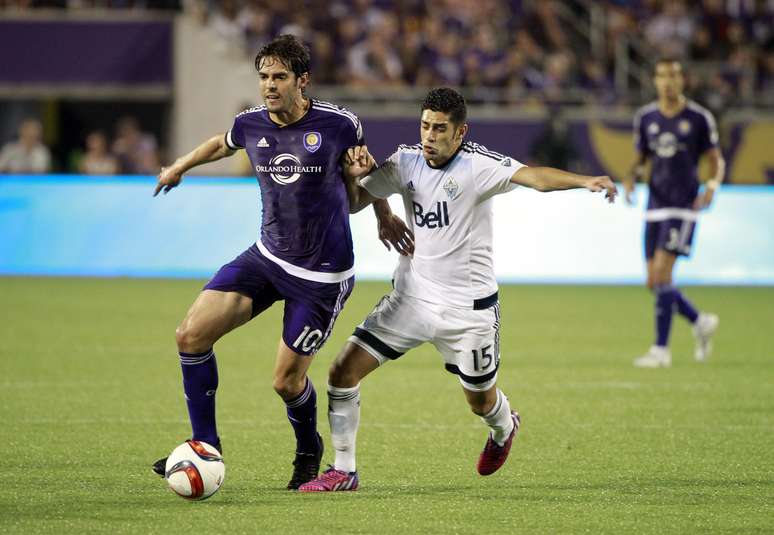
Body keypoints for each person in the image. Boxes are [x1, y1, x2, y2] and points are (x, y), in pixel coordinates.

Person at [298, 87, 617, 492]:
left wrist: (584, 180)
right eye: (425, 126)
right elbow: (357, 201)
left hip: (469, 312)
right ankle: (344, 470)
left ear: (460, 131)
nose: (429, 136)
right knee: (342, 371)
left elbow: (534, 177)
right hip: (411, 300)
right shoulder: (406, 161)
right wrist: (351, 174)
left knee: (480, 401)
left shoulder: (477, 166)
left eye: (440, 129)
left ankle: (504, 427)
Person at [150, 34, 412, 489]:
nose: (269, 86)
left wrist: (384, 213)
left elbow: (361, 177)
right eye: (264, 77)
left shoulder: (339, 124)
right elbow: (221, 143)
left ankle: (309, 448)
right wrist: (180, 165)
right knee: (190, 336)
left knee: (286, 384)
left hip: (322, 276)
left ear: (302, 80)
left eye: (279, 77)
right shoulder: (251, 124)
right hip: (267, 257)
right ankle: (205, 445)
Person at [624, 58, 724, 368]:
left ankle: (660, 350)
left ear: (683, 80)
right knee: (653, 282)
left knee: (663, 274)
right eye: (662, 75)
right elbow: (641, 156)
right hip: (655, 204)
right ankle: (700, 321)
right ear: (655, 80)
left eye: (674, 76)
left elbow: (716, 158)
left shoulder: (698, 118)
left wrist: (712, 184)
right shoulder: (645, 117)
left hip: (683, 206)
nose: (668, 81)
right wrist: (630, 176)